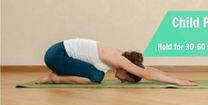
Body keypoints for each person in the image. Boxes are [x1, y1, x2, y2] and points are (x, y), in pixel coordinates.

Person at [42, 39, 194, 86]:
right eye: (126, 79)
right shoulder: (118, 59)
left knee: (97, 75)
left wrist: (178, 78)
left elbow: (147, 68)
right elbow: (146, 73)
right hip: (57, 55)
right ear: (126, 70)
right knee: (97, 77)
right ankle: (54, 78)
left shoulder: (122, 56)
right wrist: (179, 83)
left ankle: (56, 75)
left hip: (58, 52)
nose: (122, 80)